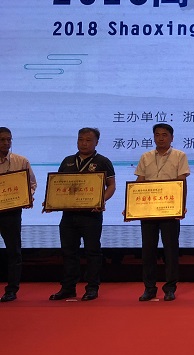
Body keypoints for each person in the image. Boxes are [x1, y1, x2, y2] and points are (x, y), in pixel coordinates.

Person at [49, 128, 116, 301]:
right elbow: (58, 185)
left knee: (92, 252)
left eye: (88, 140)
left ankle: (92, 288)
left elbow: (111, 186)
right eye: (80, 139)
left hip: (91, 215)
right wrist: (51, 202)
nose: (84, 143)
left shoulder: (103, 161)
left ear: (96, 142)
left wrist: (101, 201)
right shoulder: (68, 161)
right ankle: (68, 288)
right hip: (68, 215)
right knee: (68, 252)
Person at [133, 123, 189, 302]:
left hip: (170, 209)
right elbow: (140, 181)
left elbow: (182, 182)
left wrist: (181, 206)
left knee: (170, 251)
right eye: (157, 135)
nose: (161, 138)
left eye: (164, 135)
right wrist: (132, 205)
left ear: (172, 137)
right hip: (148, 210)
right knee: (148, 251)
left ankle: (170, 288)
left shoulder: (179, 155)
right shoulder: (146, 156)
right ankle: (149, 288)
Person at [0, 127, 37, 303]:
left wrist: (26, 197)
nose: (6, 143)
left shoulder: (21, 161)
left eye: (9, 139)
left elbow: (32, 184)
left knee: (14, 251)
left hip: (11, 212)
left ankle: (12, 290)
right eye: (2, 140)